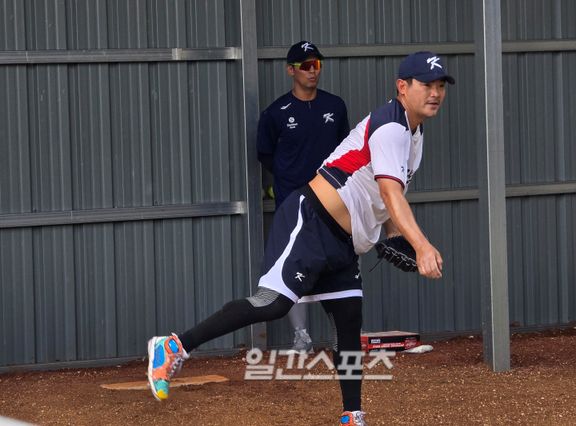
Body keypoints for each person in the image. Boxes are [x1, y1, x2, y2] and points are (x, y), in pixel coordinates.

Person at [146, 51, 454, 426]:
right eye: (427, 84)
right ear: (402, 87)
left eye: (440, 86)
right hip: (310, 221)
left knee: (349, 319)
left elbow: (384, 195)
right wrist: (421, 244)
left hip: (344, 241)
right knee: (272, 304)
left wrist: (391, 233)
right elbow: (390, 193)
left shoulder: (413, 133)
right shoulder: (391, 127)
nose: (435, 93)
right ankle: (173, 346)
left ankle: (352, 414)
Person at [257, 40, 350, 354]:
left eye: (317, 65)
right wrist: (287, 180)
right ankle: (301, 337)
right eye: (306, 66)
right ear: (291, 70)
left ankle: (342, 337)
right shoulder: (276, 113)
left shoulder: (335, 106)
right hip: (292, 201)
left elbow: (346, 150)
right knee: (293, 265)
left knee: (336, 264)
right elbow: (265, 154)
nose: (313, 71)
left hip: (332, 201)